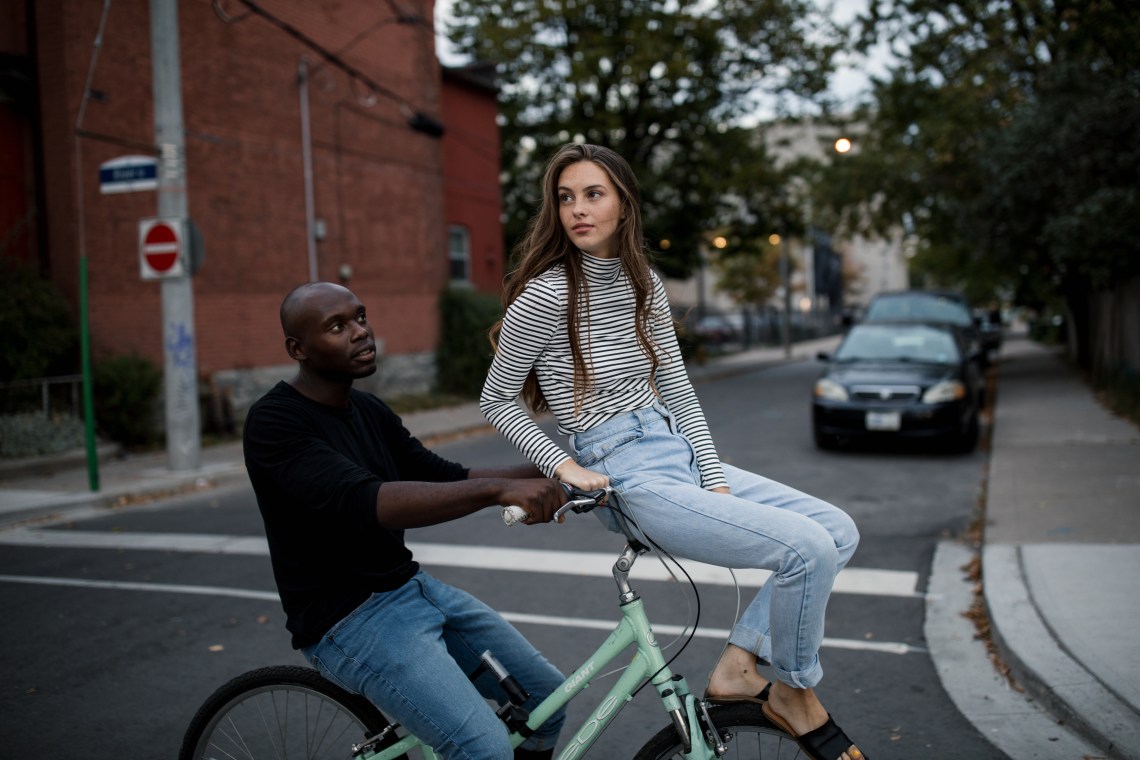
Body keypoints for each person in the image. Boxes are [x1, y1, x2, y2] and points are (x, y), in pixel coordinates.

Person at [480, 143, 867, 760]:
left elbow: (679, 390)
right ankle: (794, 688)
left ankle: (742, 662)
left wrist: (711, 476)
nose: (578, 209)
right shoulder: (549, 294)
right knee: (806, 548)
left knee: (837, 529)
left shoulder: (643, 283)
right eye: (565, 197)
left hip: (675, 453)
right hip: (625, 474)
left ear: (624, 204)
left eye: (593, 194)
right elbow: (496, 399)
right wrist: (568, 466)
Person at [243, 281, 567, 760]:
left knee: (548, 700)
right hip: (347, 620)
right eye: (338, 326)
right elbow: (370, 500)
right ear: (299, 349)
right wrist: (500, 490)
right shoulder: (275, 423)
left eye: (360, 317)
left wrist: (563, 465)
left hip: (408, 588)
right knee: (483, 748)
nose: (360, 332)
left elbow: (442, 475)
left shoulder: (368, 410)